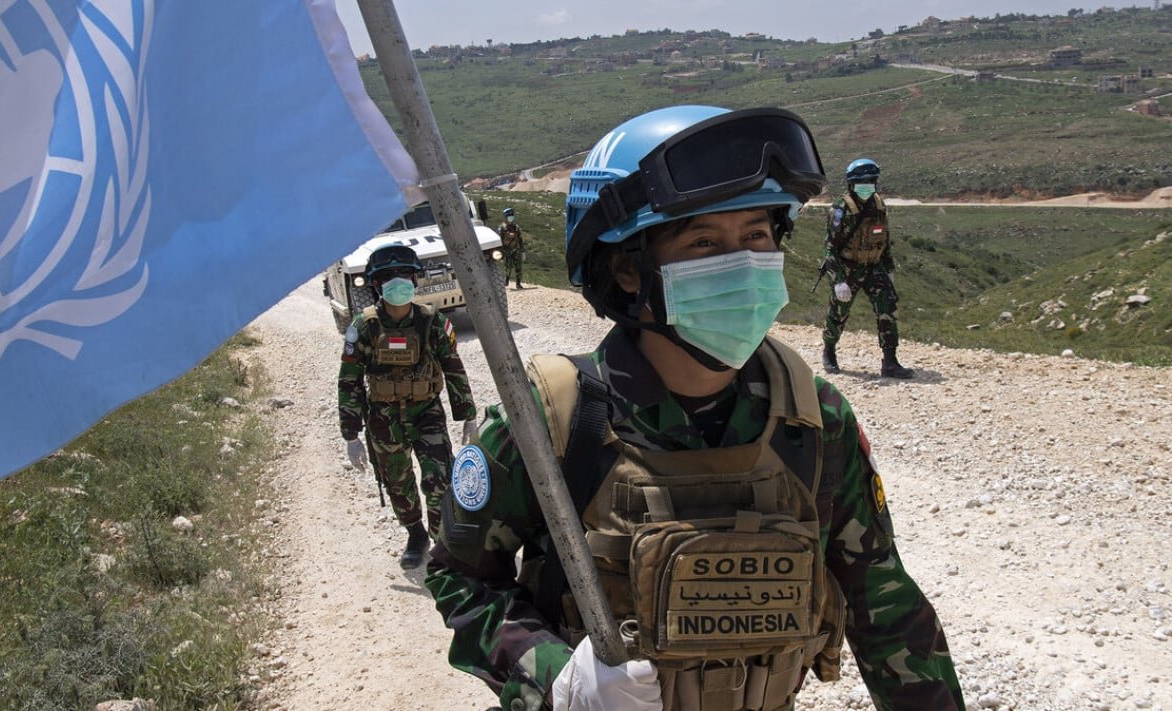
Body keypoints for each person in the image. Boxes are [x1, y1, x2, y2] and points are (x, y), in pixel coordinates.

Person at [427, 106, 965, 711]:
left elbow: (885, 606)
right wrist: (556, 677)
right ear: (627, 268)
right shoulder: (552, 418)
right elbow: (461, 576)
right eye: (704, 242)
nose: (743, 262)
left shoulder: (814, 418)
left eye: (756, 236)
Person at [338, 243, 477, 569]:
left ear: (415, 279)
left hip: (426, 412)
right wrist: (351, 434)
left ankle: (441, 540)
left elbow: (453, 368)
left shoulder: (432, 322)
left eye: (404, 274)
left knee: (440, 479)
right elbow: (349, 380)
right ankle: (416, 535)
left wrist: (468, 416)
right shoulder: (364, 327)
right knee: (398, 483)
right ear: (376, 284)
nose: (398, 281)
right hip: (384, 419)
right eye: (389, 276)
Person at [820, 158, 913, 378]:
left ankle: (890, 362)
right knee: (839, 311)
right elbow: (830, 248)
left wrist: (889, 270)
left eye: (870, 181)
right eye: (861, 182)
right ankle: (829, 351)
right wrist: (838, 281)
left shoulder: (879, 206)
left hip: (873, 267)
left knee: (888, 307)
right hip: (847, 268)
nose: (866, 185)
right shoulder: (840, 209)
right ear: (851, 184)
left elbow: (884, 242)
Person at [498, 206, 526, 289]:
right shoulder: (502, 227)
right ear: (506, 217)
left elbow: (520, 239)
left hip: (516, 249)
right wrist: (500, 252)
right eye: (509, 216)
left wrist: (522, 250)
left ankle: (518, 283)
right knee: (508, 267)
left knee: (518, 267)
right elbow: (499, 240)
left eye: (512, 216)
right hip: (506, 250)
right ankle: (506, 281)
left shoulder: (516, 227)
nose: (511, 217)